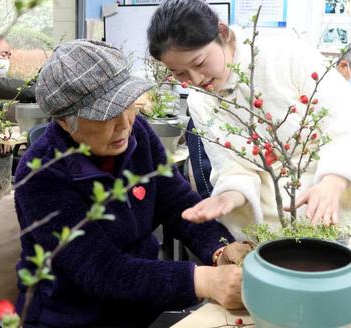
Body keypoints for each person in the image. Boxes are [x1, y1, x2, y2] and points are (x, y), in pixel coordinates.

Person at [147, 0, 351, 290]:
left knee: (347, 304)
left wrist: (334, 181)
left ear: (222, 33)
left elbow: (347, 122)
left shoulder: (285, 55)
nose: (194, 81)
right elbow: (234, 166)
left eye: (198, 64)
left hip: (335, 210)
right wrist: (229, 195)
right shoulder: (200, 98)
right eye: (178, 73)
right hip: (273, 228)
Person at [14, 40, 247, 328]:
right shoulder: (41, 175)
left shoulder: (136, 132)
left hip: (143, 307)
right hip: (73, 316)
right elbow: (102, 270)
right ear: (64, 121)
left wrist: (219, 248)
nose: (125, 123)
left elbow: (176, 201)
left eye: (128, 105)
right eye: (106, 115)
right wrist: (201, 280)